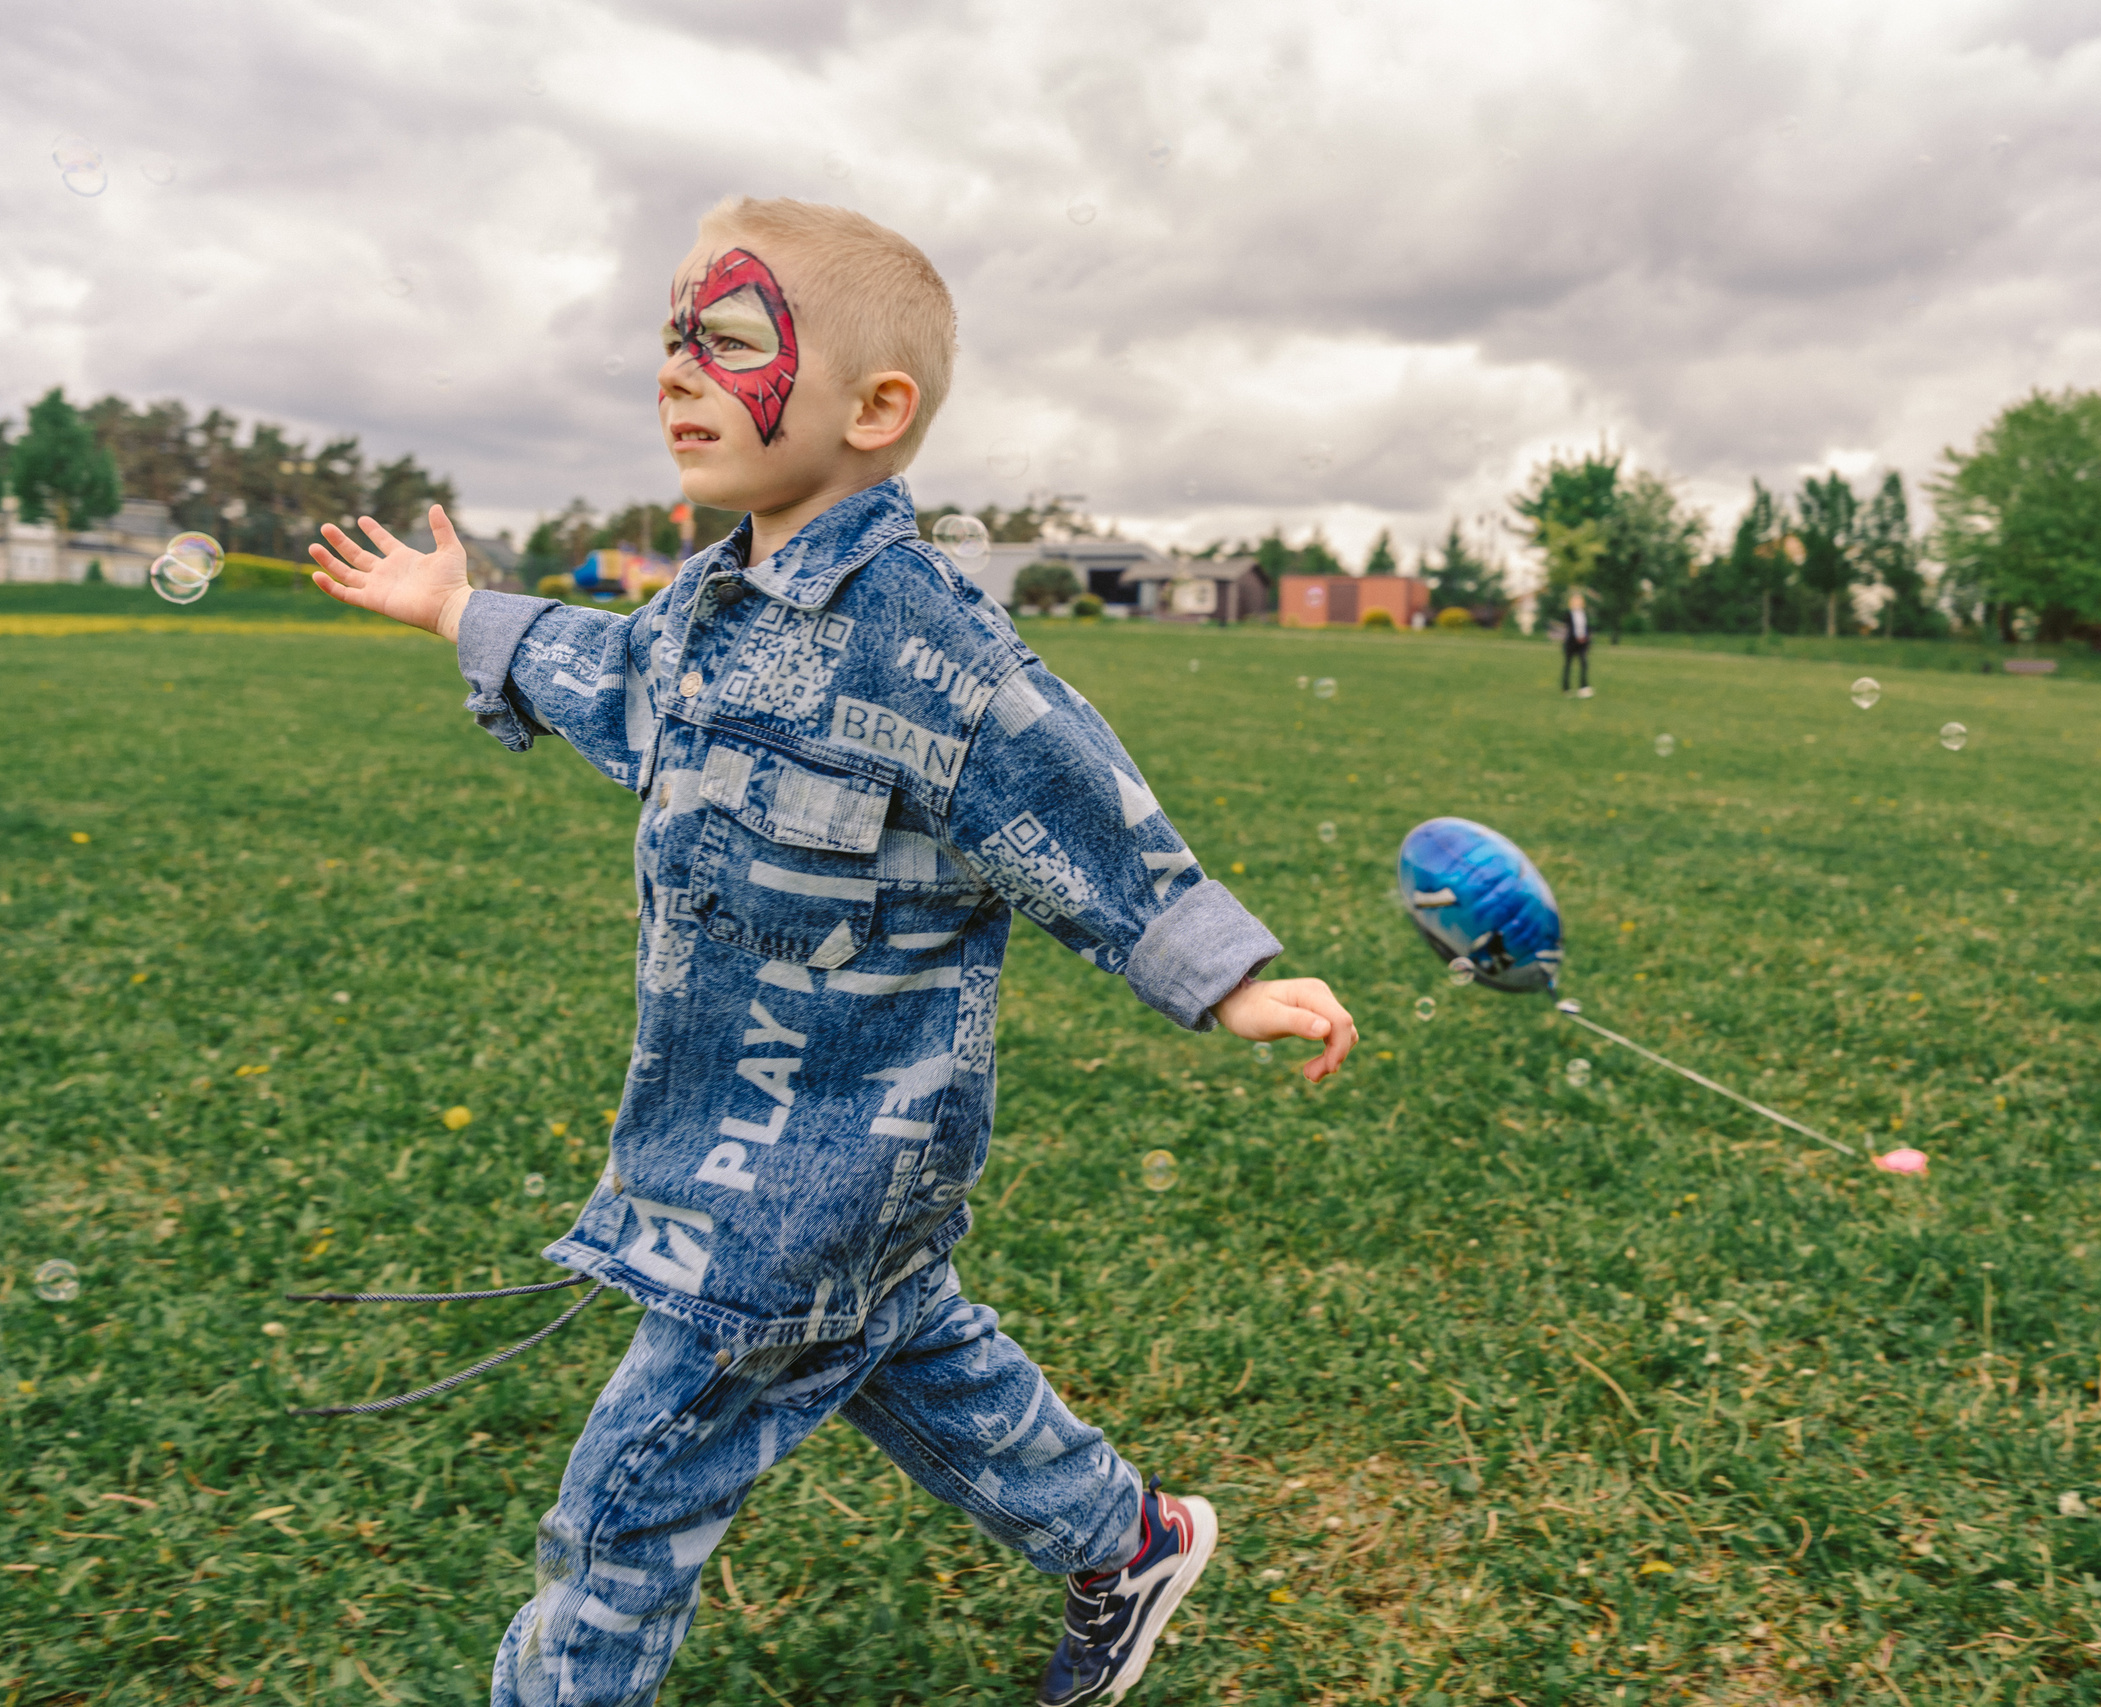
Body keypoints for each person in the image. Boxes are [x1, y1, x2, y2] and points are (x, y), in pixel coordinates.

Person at [307, 196, 1358, 1707]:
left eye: (726, 340)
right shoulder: (702, 610)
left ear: (876, 410)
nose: (676, 372)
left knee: (623, 1504)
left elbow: (1066, 793)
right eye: (670, 340)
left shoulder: (932, 643)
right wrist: (464, 610)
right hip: (745, 1127)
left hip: (816, 1170)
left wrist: (1222, 970)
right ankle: (1129, 1539)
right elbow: (607, 674)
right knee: (909, 1350)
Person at [1560, 589, 1592, 696]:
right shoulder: (1568, 614)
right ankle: (1566, 688)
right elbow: (1569, 629)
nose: (1577, 603)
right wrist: (1576, 637)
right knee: (1568, 666)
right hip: (1571, 643)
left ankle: (1583, 687)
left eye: (1579, 601)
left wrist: (1586, 640)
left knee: (1584, 664)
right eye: (1575, 601)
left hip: (1582, 643)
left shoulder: (1584, 614)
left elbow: (1586, 628)